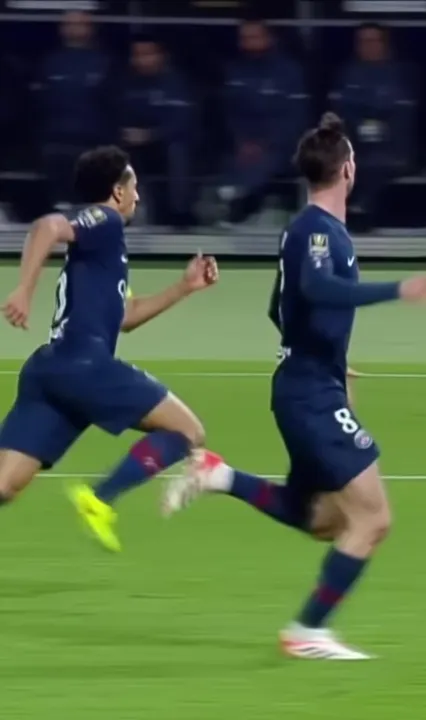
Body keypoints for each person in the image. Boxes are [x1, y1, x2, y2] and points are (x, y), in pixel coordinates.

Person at [161, 113, 426, 660]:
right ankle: (308, 631)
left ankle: (220, 476)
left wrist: (329, 358)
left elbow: (279, 307)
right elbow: (316, 288)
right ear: (348, 170)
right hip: (310, 395)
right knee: (374, 519)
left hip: (308, 386)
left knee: (324, 520)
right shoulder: (315, 230)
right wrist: (396, 290)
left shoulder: (316, 230)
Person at [0, 146, 219, 553]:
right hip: (85, 365)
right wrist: (24, 290)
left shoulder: (104, 249)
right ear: (118, 191)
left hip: (52, 370)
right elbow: (46, 226)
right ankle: (100, 501)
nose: (138, 195)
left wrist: (184, 287)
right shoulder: (105, 221)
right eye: (134, 186)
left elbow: (126, 316)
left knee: (4, 486)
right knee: (187, 432)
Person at [217, 18, 308, 225]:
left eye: (255, 36)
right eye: (245, 37)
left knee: (265, 162)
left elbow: (296, 117)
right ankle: (234, 203)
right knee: (233, 160)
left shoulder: (289, 70)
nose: (249, 42)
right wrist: (242, 141)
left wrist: (267, 143)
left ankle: (240, 204)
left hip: (281, 144)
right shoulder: (235, 71)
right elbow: (230, 113)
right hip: (243, 143)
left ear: (269, 38)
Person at [329, 22, 417, 231]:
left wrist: (374, 126)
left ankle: (363, 210)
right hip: (354, 142)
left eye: (374, 40)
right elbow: (341, 111)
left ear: (385, 44)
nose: (368, 45)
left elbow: (403, 115)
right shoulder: (346, 73)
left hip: (392, 145)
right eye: (363, 41)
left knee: (374, 162)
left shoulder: (402, 73)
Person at [35, 10, 113, 210]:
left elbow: (112, 103)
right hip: (56, 136)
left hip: (94, 137)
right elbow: (40, 102)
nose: (74, 29)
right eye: (69, 24)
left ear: (91, 27)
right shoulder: (50, 62)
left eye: (80, 24)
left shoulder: (105, 62)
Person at [117, 35, 195, 227]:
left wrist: (151, 135)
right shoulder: (125, 83)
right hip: (134, 144)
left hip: (169, 143)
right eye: (137, 55)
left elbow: (183, 123)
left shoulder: (177, 83)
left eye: (148, 54)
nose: (142, 60)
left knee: (178, 152)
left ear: (161, 55)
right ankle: (125, 213)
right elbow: (114, 116)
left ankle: (179, 215)